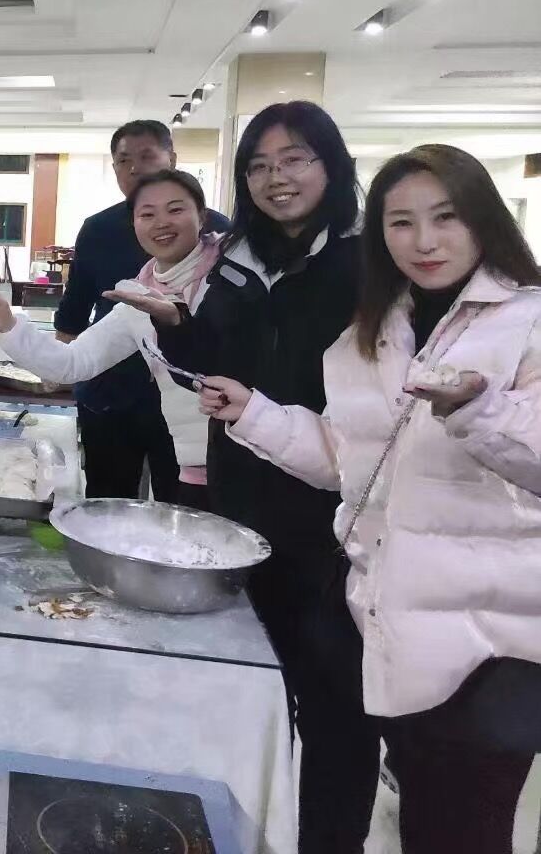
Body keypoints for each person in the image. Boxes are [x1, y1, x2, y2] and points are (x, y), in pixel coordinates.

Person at [200, 145, 541, 854]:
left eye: (446, 217)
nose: (424, 241)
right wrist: (253, 412)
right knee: (353, 790)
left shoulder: (529, 321)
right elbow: (348, 461)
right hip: (373, 614)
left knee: (458, 831)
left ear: (484, 219)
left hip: (486, 644)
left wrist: (479, 411)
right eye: (401, 222)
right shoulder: (373, 332)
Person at [109, 101, 374, 854]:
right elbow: (219, 363)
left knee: (336, 709)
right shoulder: (237, 259)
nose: (275, 178)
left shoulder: (363, 262)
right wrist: (175, 327)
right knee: (252, 683)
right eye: (258, 165)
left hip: (331, 519)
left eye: (294, 160)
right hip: (240, 501)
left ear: (332, 165)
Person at [0, 170, 220, 510]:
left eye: (175, 209)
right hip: (193, 465)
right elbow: (73, 363)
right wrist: (8, 324)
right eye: (147, 214)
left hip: (247, 455)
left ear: (202, 216)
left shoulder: (232, 277)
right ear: (134, 224)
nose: (161, 222)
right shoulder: (140, 297)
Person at [55, 119, 229, 502]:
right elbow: (74, 311)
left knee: (180, 505)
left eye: (147, 156)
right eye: (123, 160)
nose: (134, 168)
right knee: (106, 502)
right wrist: (65, 374)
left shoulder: (218, 235)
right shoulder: (98, 230)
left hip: (188, 404)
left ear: (172, 159)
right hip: (109, 393)